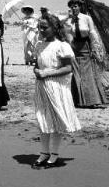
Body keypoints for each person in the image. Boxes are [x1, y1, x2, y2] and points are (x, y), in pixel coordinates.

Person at [32, 15, 81, 168]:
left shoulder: (62, 46)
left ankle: (54, 154)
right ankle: (43, 152)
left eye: (45, 27)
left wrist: (46, 73)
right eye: (40, 27)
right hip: (42, 87)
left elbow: (68, 68)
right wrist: (37, 71)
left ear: (54, 28)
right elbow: (37, 64)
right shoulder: (39, 45)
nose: (41, 30)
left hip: (57, 87)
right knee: (43, 119)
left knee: (56, 120)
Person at [65, 0, 107, 108]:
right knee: (75, 74)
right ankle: (77, 100)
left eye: (76, 6)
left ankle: (91, 100)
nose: (74, 8)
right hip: (74, 47)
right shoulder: (69, 21)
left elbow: (92, 34)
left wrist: (94, 49)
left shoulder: (86, 18)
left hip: (85, 46)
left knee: (87, 74)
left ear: (80, 7)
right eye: (72, 6)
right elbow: (68, 35)